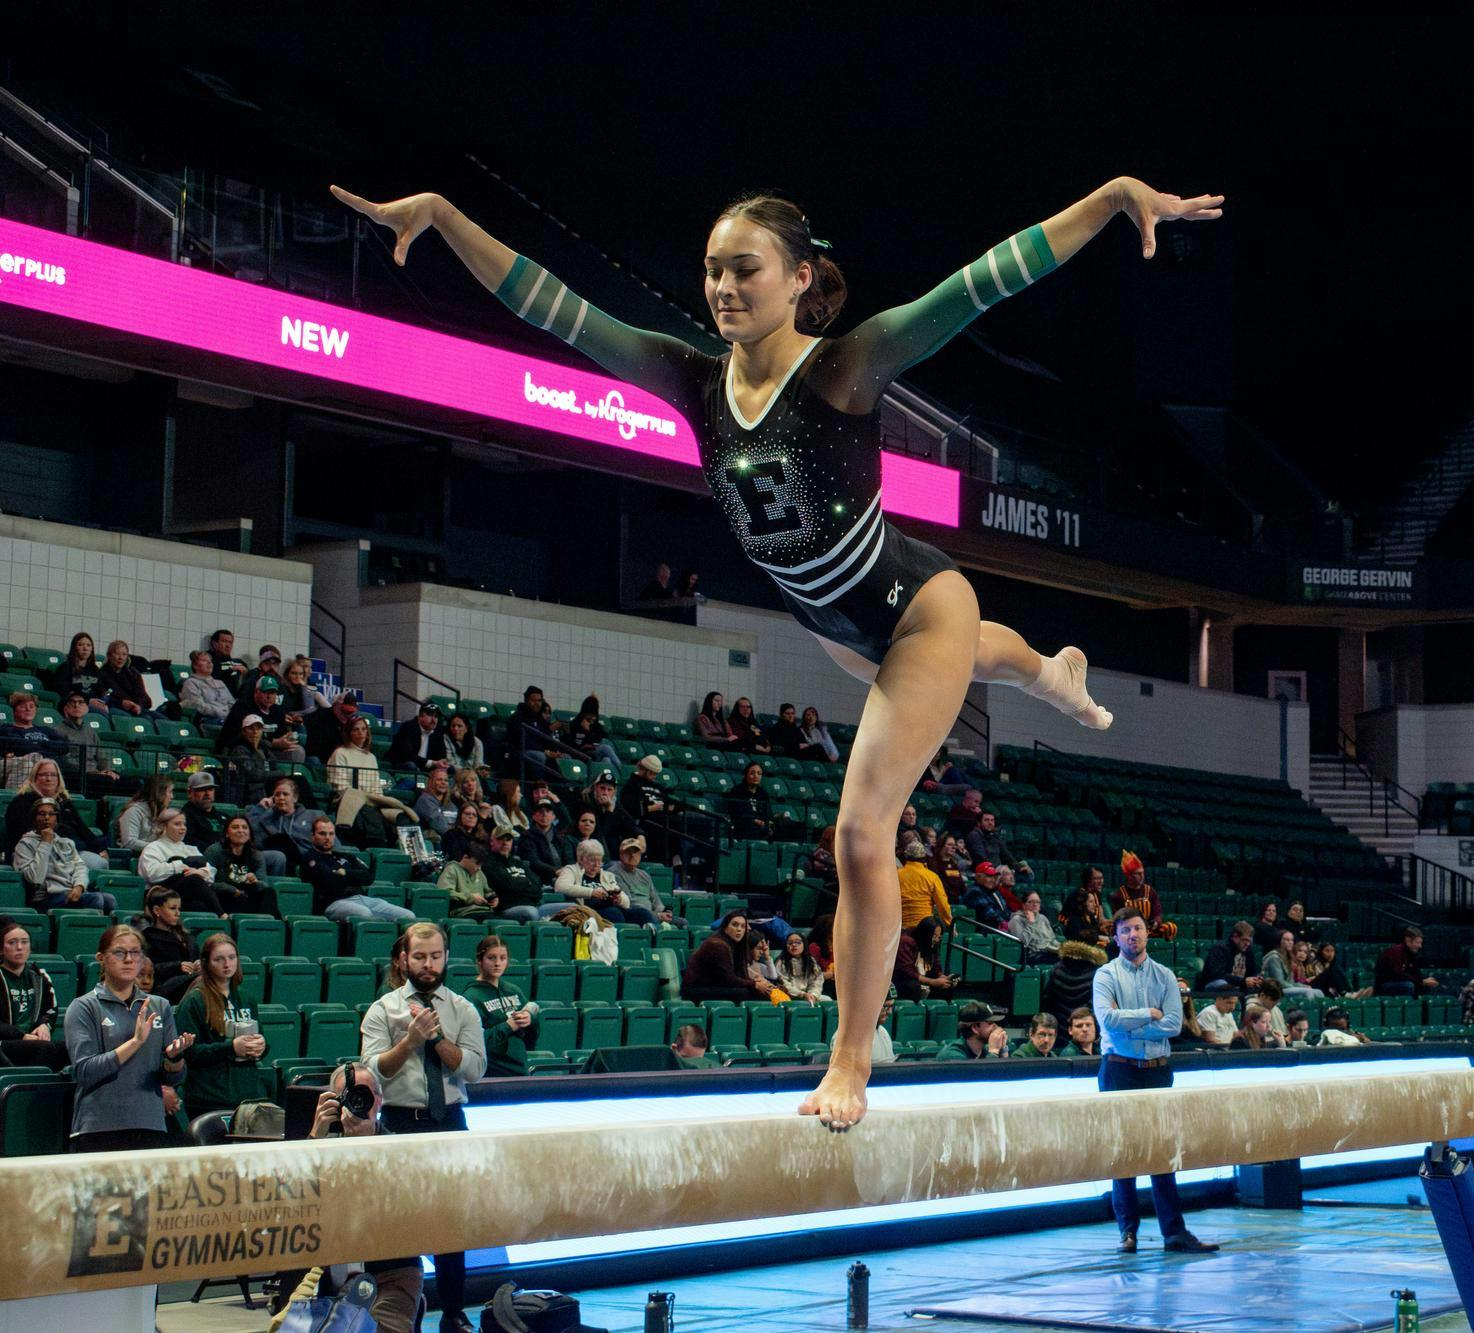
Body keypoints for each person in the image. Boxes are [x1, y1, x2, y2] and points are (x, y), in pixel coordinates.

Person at [334, 175, 1220, 1129]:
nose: (722, 286)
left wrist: (1115, 199)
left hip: (916, 604)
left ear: (801, 277)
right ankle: (1053, 672)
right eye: (712, 270)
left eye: (744, 269)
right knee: (975, 663)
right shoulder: (690, 378)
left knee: (858, 833)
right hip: (839, 629)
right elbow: (556, 308)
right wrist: (439, 217)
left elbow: (980, 284)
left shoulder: (846, 367)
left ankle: (849, 1062)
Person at [360, 923, 486, 1333]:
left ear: (446, 957)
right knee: (399, 1221)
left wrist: (435, 1041)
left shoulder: (463, 1008)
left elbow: (475, 1069)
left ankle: (453, 1310)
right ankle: (403, 1308)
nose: (428, 965)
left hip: (449, 1120)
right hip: (399, 1122)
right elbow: (374, 1071)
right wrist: (410, 1041)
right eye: (419, 957)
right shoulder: (383, 1009)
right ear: (403, 959)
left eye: (435, 956)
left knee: (453, 1221)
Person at [1093, 907, 1217, 1254]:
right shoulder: (1105, 975)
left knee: (1163, 1153)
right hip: (1120, 1069)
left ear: (1148, 933)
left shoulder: (1163, 975)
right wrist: (1149, 1014)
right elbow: (1108, 1020)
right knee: (1125, 1153)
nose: (1133, 935)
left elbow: (1174, 1025)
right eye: (1125, 931)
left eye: (1138, 928)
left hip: (1158, 1068)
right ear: (1116, 937)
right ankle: (1127, 1232)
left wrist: (1129, 1020)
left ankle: (1174, 1233)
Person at [300, 1063, 428, 1333]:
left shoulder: (400, 1151)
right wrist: (314, 1136)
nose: (358, 1104)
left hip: (393, 1274)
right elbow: (295, 1198)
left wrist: (365, 1143)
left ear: (379, 1101)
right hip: (334, 1278)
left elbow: (402, 1203)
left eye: (364, 1094)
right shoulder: (319, 1149)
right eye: (348, 1096)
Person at [65, 922, 194, 1151]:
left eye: (135, 953)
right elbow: (85, 1072)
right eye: (119, 952)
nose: (128, 959)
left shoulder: (159, 1006)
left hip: (150, 1125)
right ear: (101, 958)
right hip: (99, 1128)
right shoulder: (84, 1007)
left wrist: (174, 1059)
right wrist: (135, 1043)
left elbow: (173, 1079)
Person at [173, 933, 266, 1120]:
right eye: (219, 959)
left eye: (232, 958)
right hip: (209, 1098)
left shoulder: (246, 998)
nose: (227, 964)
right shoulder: (194, 1001)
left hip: (246, 1095)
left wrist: (261, 1046)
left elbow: (259, 1038)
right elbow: (190, 1053)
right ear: (206, 963)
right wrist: (230, 1047)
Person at [300, 816, 413, 924]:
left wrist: (344, 873)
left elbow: (368, 877)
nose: (327, 838)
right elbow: (330, 881)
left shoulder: (347, 857)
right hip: (334, 903)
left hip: (361, 898)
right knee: (364, 914)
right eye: (322, 834)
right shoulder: (310, 858)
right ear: (312, 836)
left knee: (408, 916)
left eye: (331, 834)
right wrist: (353, 877)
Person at [327, 715, 420, 843]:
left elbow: (376, 788)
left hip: (373, 801)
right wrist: (364, 797)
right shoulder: (340, 753)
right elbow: (340, 786)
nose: (361, 733)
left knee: (401, 817)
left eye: (364, 729)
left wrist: (374, 799)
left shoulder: (371, 757)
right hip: (349, 801)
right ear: (349, 733)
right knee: (368, 813)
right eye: (356, 729)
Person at [14, 794, 114, 911]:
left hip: (70, 892)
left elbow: (80, 867)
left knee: (109, 899)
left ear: (57, 819)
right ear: (34, 818)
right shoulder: (25, 844)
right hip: (44, 898)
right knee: (95, 899)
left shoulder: (66, 843)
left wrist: (79, 886)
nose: (47, 817)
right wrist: (45, 844)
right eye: (42, 814)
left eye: (51, 814)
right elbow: (35, 878)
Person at [7, 759, 109, 870]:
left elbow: (82, 828)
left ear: (58, 779)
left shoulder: (65, 802)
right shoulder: (21, 802)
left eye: (53, 775)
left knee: (100, 863)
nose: (49, 779)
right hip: (35, 852)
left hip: (69, 851)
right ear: (35, 778)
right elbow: (20, 833)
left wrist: (99, 849)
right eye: (44, 775)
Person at [463, 935, 539, 1078]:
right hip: (492, 1073)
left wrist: (530, 1019)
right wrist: (508, 1026)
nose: (497, 963)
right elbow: (475, 1042)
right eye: (491, 958)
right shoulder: (471, 997)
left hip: (519, 1067)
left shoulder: (513, 990)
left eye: (502, 958)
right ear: (480, 960)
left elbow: (532, 1036)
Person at [0, 917, 67, 1069]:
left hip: (32, 1041)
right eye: (12, 942)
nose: (19, 947)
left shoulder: (39, 976)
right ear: (1, 949)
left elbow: (51, 1009)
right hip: (5, 1042)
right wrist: (21, 1036)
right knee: (45, 1049)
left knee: (69, 1048)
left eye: (24, 942)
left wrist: (44, 1025)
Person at [139, 808, 224, 915]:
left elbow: (210, 873)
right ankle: (221, 914)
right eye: (177, 824)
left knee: (200, 904)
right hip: (163, 896)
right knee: (193, 879)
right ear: (163, 826)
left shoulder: (191, 849)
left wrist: (201, 872)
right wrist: (181, 866)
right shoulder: (153, 848)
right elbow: (152, 874)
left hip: (191, 896)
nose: (183, 828)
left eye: (184, 824)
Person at [554, 838, 655, 925]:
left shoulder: (607, 876)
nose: (596, 865)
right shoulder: (571, 870)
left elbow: (626, 901)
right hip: (587, 912)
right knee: (614, 913)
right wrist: (592, 892)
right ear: (580, 859)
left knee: (643, 913)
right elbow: (560, 887)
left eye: (599, 861)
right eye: (592, 860)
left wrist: (619, 899)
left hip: (612, 910)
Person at [684, 910, 775, 1002]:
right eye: (735, 925)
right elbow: (727, 979)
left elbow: (740, 974)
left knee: (762, 991)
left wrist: (760, 983)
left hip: (715, 986)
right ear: (725, 927)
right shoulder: (717, 944)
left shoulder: (737, 945)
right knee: (746, 993)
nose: (739, 929)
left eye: (743, 926)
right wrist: (754, 984)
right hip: (697, 988)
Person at [207, 813, 281, 917]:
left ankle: (266, 926)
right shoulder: (215, 851)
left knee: (269, 892)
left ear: (249, 833)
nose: (241, 830)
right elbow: (208, 883)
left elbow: (264, 885)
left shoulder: (256, 855)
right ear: (227, 833)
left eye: (244, 827)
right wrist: (233, 890)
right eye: (235, 827)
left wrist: (255, 882)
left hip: (247, 897)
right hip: (225, 898)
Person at [477, 827, 546, 923]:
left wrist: (517, 886)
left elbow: (538, 887)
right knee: (531, 912)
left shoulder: (518, 862)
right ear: (492, 841)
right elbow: (505, 885)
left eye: (508, 839)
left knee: (566, 909)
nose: (505, 843)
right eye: (500, 839)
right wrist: (527, 882)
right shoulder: (488, 862)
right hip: (505, 909)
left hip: (532, 905)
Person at [609, 836, 675, 924]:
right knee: (645, 915)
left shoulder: (644, 875)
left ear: (640, 855)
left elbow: (656, 900)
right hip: (633, 914)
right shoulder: (613, 873)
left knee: (682, 922)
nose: (632, 855)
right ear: (621, 854)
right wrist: (657, 916)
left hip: (653, 915)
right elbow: (628, 903)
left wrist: (661, 913)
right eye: (628, 852)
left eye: (636, 852)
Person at [898, 832, 952, 927]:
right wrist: (949, 923)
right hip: (925, 927)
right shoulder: (932, 877)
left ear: (906, 856)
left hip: (900, 927)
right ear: (924, 857)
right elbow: (942, 905)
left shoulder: (897, 875)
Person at [1111, 851, 1171, 937]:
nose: (1142, 876)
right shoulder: (1119, 895)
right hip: (1129, 932)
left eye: (1143, 873)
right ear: (1129, 876)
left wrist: (1156, 922)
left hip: (1149, 930)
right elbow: (1117, 919)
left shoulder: (1150, 891)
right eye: (1138, 873)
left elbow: (1157, 912)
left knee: (1170, 928)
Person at [1044, 940, 1107, 1021]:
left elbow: (1048, 1001)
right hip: (1086, 1026)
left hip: (1061, 1025)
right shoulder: (1098, 972)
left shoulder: (1056, 969)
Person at [439, 844, 501, 919]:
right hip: (463, 912)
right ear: (465, 857)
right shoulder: (452, 869)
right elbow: (444, 892)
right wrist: (470, 897)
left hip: (483, 911)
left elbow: (488, 892)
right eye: (477, 863)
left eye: (481, 865)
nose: (479, 868)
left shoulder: (479, 873)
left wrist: (493, 898)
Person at [1375, 926, 1440, 997]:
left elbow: (1416, 973)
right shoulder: (1395, 952)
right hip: (1385, 985)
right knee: (1409, 986)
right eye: (1417, 942)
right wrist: (1421, 982)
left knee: (1428, 984)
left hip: (1400, 982)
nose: (1420, 946)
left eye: (1421, 943)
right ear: (1408, 941)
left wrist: (1424, 981)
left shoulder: (1411, 954)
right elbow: (1398, 975)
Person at [179, 649, 236, 730]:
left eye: (210, 661)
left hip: (226, 718)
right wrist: (222, 712)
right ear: (195, 665)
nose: (209, 663)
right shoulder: (191, 683)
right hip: (207, 720)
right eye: (204, 660)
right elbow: (198, 706)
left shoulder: (220, 683)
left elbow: (232, 702)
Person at [936, 999, 1009, 1060]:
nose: (996, 1026)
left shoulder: (984, 1051)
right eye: (990, 1023)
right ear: (975, 1028)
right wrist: (994, 1051)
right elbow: (984, 1076)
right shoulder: (952, 1055)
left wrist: (1002, 1050)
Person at [97, 640, 155, 716]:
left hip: (136, 709)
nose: (120, 657)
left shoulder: (133, 673)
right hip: (115, 708)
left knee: (159, 719)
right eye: (117, 654)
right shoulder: (101, 674)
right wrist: (121, 703)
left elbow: (144, 697)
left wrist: (139, 706)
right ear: (109, 656)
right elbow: (102, 696)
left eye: (124, 654)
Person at [387, 701, 451, 770]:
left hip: (427, 767)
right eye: (430, 714)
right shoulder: (408, 728)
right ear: (420, 717)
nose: (433, 719)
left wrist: (442, 762)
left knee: (449, 769)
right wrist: (433, 763)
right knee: (411, 766)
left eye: (436, 716)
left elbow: (441, 755)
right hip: (402, 764)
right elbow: (407, 756)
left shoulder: (438, 732)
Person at [1008, 889, 1061, 964]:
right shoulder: (1016, 920)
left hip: (1048, 952)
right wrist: (1031, 923)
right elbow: (1022, 943)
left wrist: (1062, 947)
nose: (1035, 904)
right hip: (1031, 956)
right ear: (1023, 905)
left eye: (1037, 902)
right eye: (1031, 902)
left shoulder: (1043, 918)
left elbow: (1052, 939)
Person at [775, 930, 826, 1004]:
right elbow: (784, 984)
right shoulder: (781, 962)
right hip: (790, 996)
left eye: (798, 942)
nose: (794, 945)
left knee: (827, 1000)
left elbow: (817, 981)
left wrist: (813, 994)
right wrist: (802, 994)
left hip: (809, 995)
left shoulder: (811, 961)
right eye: (790, 943)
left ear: (804, 944)